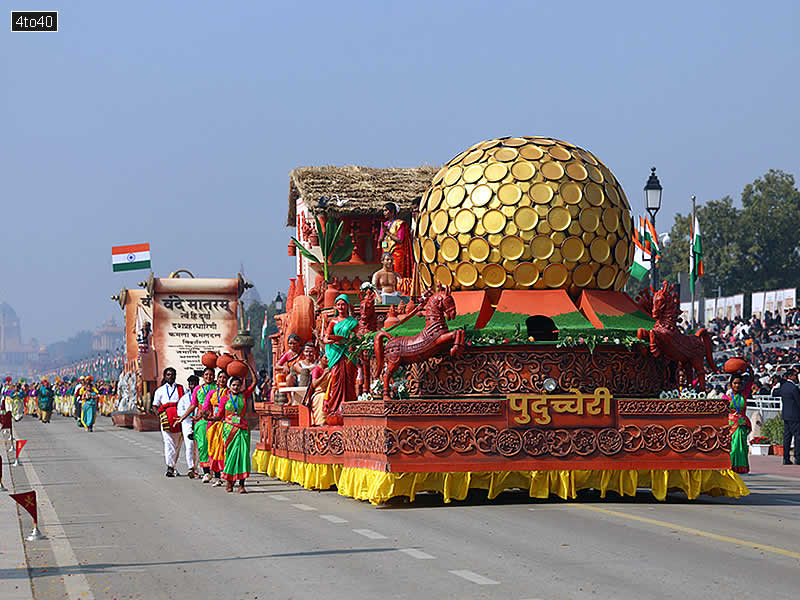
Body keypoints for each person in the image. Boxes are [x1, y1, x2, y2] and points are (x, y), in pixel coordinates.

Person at [210, 370, 256, 493]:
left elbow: (255, 382)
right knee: (231, 456)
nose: (236, 387)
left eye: (238, 385)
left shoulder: (244, 395)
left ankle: (241, 485)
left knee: (243, 457)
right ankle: (229, 482)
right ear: (230, 386)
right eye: (233, 385)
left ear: (241, 386)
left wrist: (247, 367)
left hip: (243, 430)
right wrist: (208, 418)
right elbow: (219, 415)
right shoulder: (224, 399)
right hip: (229, 430)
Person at [323, 294, 359, 425]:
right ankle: (334, 409)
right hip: (336, 353)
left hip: (348, 354)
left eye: (343, 304)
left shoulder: (353, 322)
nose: (341, 307)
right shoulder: (333, 322)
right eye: (338, 304)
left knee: (349, 380)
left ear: (348, 306)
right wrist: (332, 341)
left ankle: (349, 408)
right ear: (335, 307)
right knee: (335, 379)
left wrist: (349, 342)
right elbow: (326, 338)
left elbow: (357, 338)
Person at [151, 367, 185, 477]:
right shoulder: (160, 390)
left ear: (175, 376)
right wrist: (160, 416)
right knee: (168, 444)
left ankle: (173, 466)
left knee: (177, 445)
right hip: (166, 420)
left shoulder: (182, 388)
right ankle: (170, 467)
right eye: (168, 375)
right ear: (165, 376)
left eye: (172, 375)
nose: (170, 377)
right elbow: (155, 405)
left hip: (179, 420)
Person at [189, 367, 216, 483]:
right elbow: (193, 405)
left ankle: (216, 472)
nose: (208, 377)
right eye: (206, 374)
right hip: (201, 421)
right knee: (202, 446)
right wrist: (182, 417)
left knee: (215, 446)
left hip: (215, 420)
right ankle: (206, 472)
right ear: (203, 376)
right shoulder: (198, 389)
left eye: (211, 375)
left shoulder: (218, 387)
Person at [203, 370, 229, 486]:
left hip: (225, 424)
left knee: (225, 451)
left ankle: (229, 476)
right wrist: (200, 416)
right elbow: (205, 407)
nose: (222, 380)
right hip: (212, 425)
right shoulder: (212, 393)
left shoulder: (230, 393)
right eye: (220, 377)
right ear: (217, 379)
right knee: (214, 451)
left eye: (224, 377)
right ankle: (217, 477)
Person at [726, 373, 753, 474]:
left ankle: (742, 467)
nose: (737, 385)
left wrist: (749, 368)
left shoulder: (744, 395)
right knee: (733, 447)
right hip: (731, 424)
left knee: (742, 446)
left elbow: (751, 380)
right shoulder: (726, 397)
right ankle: (731, 466)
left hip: (741, 424)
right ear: (731, 384)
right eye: (735, 383)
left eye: (739, 383)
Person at [378, 202, 412, 279]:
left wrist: (387, 232)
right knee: (387, 273)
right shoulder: (385, 224)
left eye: (386, 210)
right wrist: (383, 232)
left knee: (397, 273)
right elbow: (380, 240)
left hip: (396, 252)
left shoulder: (399, 224)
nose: (384, 213)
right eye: (383, 211)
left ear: (392, 211)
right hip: (386, 252)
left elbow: (400, 240)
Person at [176, 374, 200, 479]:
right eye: (191, 384)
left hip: (199, 423)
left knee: (199, 447)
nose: (193, 386)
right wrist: (190, 415)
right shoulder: (184, 398)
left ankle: (197, 467)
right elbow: (180, 412)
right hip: (187, 423)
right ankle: (191, 468)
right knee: (189, 446)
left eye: (195, 384)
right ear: (189, 385)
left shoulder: (202, 396)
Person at [778, 369, 800, 465]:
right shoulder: (793, 388)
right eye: (795, 375)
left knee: (787, 437)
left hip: (786, 415)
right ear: (790, 376)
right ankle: (798, 457)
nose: (796, 377)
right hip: (795, 415)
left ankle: (786, 458)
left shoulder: (783, 387)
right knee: (797, 437)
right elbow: (798, 402)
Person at [306, 354, 331, 426]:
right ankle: (320, 422)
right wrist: (324, 375)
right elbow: (314, 384)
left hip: (328, 391)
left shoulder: (330, 369)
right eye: (325, 358)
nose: (327, 360)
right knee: (322, 397)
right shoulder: (316, 370)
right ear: (320, 358)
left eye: (329, 358)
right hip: (318, 393)